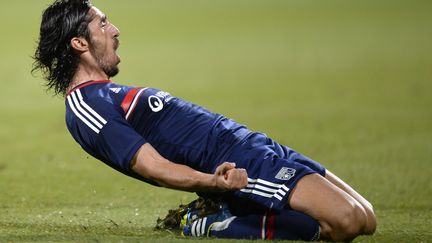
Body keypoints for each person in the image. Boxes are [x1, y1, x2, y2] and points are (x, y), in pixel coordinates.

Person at [33, 0, 376, 241]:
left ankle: (232, 215)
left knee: (366, 220)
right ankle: (212, 223)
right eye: (103, 23)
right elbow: (154, 168)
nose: (115, 30)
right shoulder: (85, 104)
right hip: (235, 163)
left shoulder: (107, 92)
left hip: (253, 144)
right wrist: (215, 183)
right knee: (344, 223)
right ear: (79, 42)